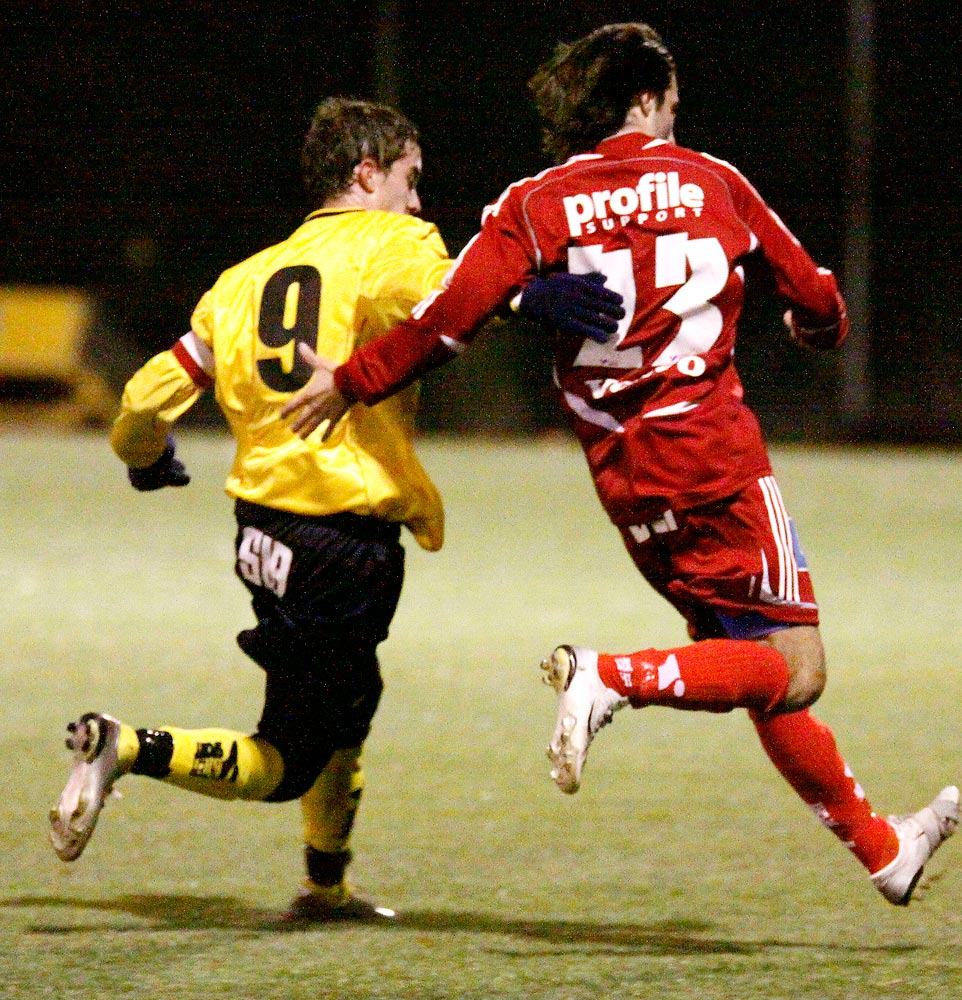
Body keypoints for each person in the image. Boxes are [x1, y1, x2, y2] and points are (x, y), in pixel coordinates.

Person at [283, 24, 960, 906]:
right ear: (645, 99)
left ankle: (881, 849)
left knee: (742, 659)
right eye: (671, 96)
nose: (678, 112)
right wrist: (816, 328)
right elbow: (817, 294)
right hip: (714, 453)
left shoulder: (535, 201)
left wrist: (356, 379)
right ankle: (612, 677)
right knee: (795, 668)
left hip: (623, 473)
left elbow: (449, 320)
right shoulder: (715, 182)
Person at [48, 96, 621, 921]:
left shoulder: (242, 281)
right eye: (410, 180)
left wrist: (145, 459)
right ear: (366, 173)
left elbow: (142, 400)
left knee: (347, 703)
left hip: (261, 534)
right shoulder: (393, 244)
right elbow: (446, 297)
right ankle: (126, 748)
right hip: (340, 544)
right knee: (284, 759)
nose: (418, 203)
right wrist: (527, 300)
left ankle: (325, 886)